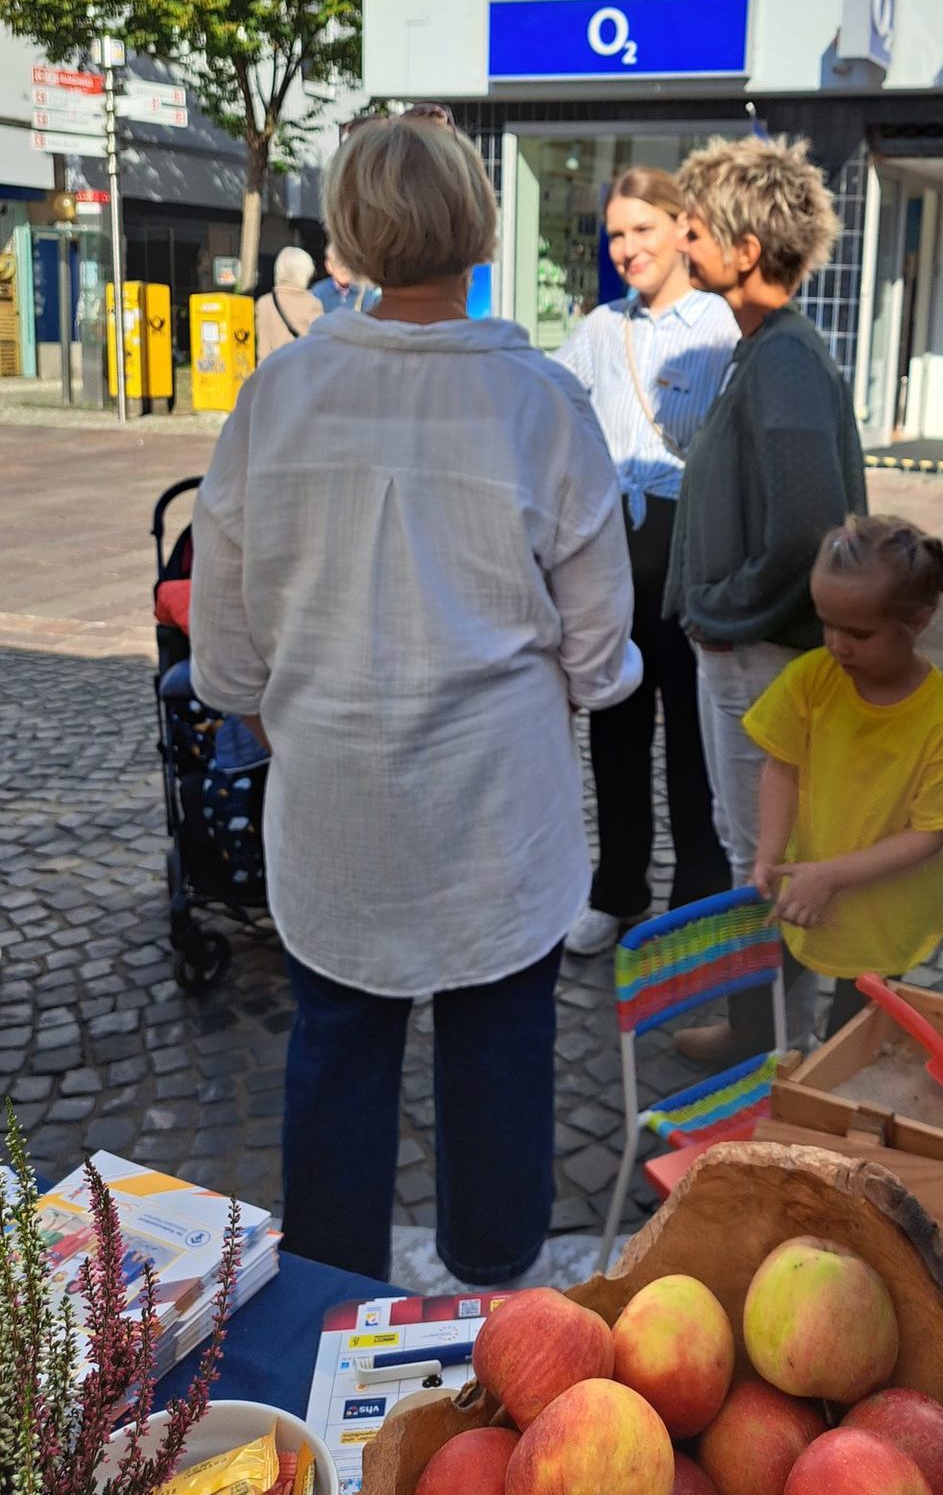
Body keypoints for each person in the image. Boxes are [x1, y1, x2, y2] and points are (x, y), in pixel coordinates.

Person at [189, 116, 640, 1287]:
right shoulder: (541, 401)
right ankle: (496, 1289)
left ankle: (329, 1297)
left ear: (347, 237)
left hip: (333, 800)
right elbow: (602, 653)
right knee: (501, 1049)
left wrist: (274, 705)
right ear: (480, 233)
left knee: (338, 1051)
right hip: (502, 806)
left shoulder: (277, 395)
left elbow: (223, 643)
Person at [663, 133, 868, 1062]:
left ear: (747, 250)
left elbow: (805, 528)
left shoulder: (782, 357)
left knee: (766, 855)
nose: (682, 241)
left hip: (763, 653)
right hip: (758, 648)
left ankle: (778, 1054)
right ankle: (766, 1033)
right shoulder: (768, 349)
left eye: (695, 227)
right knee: (763, 848)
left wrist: (720, 611)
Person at [554, 168, 738, 956]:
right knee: (615, 728)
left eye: (642, 229)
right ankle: (618, 889)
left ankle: (697, 902)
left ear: (682, 226)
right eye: (616, 235)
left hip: (692, 550)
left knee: (696, 740)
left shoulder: (722, 326)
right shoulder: (603, 328)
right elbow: (547, 399)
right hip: (612, 554)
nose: (628, 248)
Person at [746, 516, 943, 1038]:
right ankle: (747, 1048)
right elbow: (782, 767)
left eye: (857, 632)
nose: (837, 645)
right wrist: (768, 854)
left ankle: (835, 1079)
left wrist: (832, 876)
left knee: (854, 1034)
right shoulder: (810, 679)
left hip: (884, 908)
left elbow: (930, 833)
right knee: (759, 986)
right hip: (802, 878)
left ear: (918, 620)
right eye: (826, 624)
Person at [255, 246, 323, 361]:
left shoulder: (263, 303)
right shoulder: (312, 303)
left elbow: (263, 348)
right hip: (301, 369)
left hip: (272, 369)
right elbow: (320, 346)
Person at [311, 241, 376, 314]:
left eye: (347, 262)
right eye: (338, 263)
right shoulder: (318, 292)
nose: (343, 268)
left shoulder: (368, 291)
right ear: (328, 266)